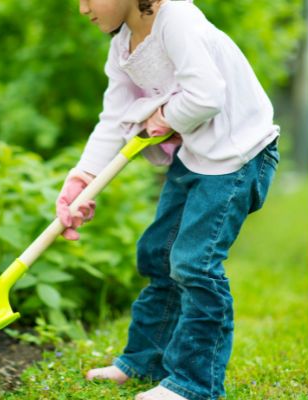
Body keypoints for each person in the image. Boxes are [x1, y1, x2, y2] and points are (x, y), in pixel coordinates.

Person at [61, 0, 280, 398]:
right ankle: (145, 361)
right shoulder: (123, 43)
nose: (82, 8)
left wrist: (162, 115)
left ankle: (193, 383)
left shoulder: (175, 18)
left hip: (238, 157)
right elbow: (114, 117)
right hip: (197, 155)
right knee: (158, 253)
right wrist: (83, 177)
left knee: (194, 263)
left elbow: (207, 95)